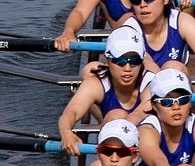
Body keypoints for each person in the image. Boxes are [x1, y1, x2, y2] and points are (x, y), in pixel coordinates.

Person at [56, 26, 155, 155]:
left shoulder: (152, 84)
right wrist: (67, 133)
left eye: (134, 61)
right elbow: (70, 112)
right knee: (116, 115)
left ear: (142, 61)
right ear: (107, 60)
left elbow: (136, 117)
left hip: (146, 149)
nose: (127, 68)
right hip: (117, 154)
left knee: (117, 117)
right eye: (120, 61)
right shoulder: (96, 84)